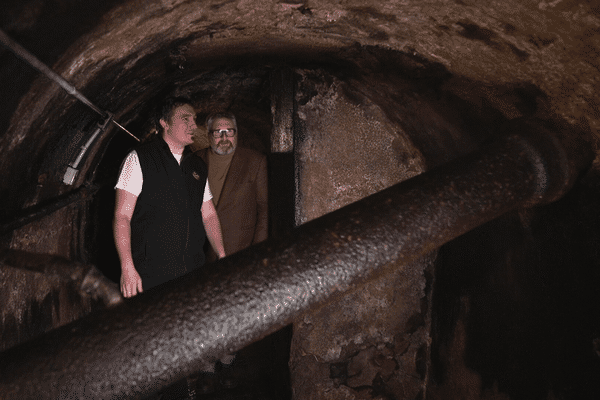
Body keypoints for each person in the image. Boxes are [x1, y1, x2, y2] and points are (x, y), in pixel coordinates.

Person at [113, 97, 226, 298]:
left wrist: (221, 253)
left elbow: (208, 214)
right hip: (150, 274)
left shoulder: (196, 166)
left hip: (192, 270)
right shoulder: (140, 159)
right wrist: (127, 267)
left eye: (194, 119)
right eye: (185, 119)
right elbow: (122, 216)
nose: (193, 124)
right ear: (165, 123)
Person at [196, 112, 268, 262]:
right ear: (209, 136)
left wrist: (259, 250)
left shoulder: (255, 161)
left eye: (229, 132)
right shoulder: (194, 161)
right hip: (200, 252)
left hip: (241, 249)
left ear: (236, 134)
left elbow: (264, 209)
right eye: (218, 133)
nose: (224, 138)